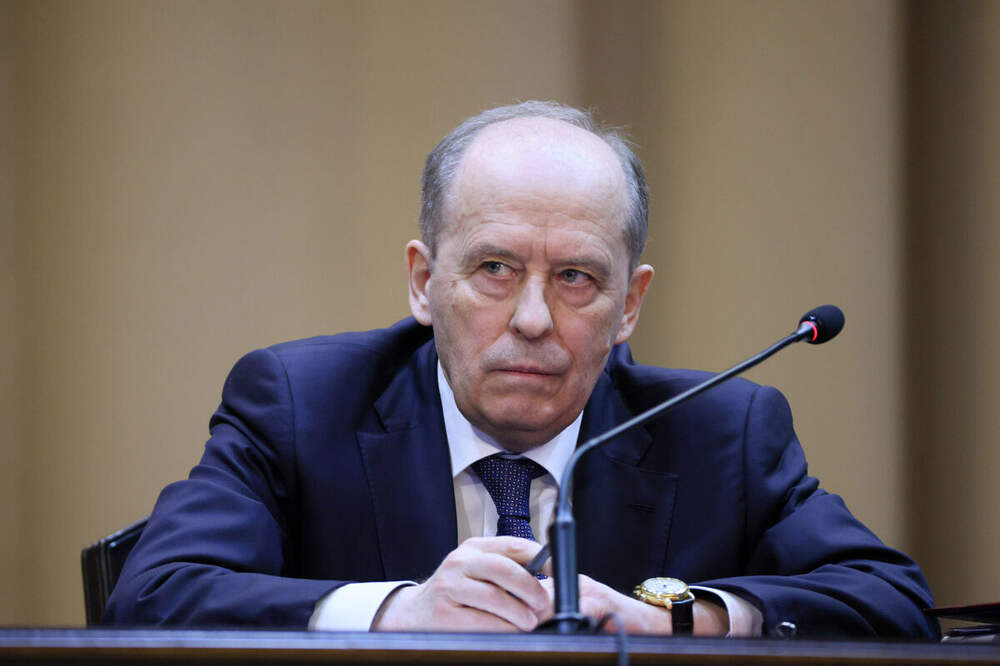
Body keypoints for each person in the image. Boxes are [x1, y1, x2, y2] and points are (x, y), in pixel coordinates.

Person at [104, 101, 938, 638]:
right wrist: (399, 611)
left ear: (630, 305)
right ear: (424, 282)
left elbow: (893, 599)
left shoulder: (723, 432)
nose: (533, 319)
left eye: (575, 277)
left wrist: (678, 620)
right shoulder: (301, 405)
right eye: (495, 269)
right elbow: (153, 596)